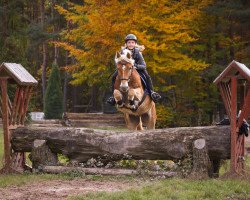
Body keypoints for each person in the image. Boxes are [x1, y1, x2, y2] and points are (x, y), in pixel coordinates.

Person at [107, 34, 161, 106]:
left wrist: (134, 66)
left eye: (132, 42)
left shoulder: (138, 53)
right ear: (126, 44)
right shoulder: (122, 52)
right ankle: (113, 97)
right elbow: (118, 62)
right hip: (125, 70)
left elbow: (144, 66)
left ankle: (152, 92)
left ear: (135, 44)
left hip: (137, 69)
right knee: (113, 77)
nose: (131, 44)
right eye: (129, 42)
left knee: (147, 76)